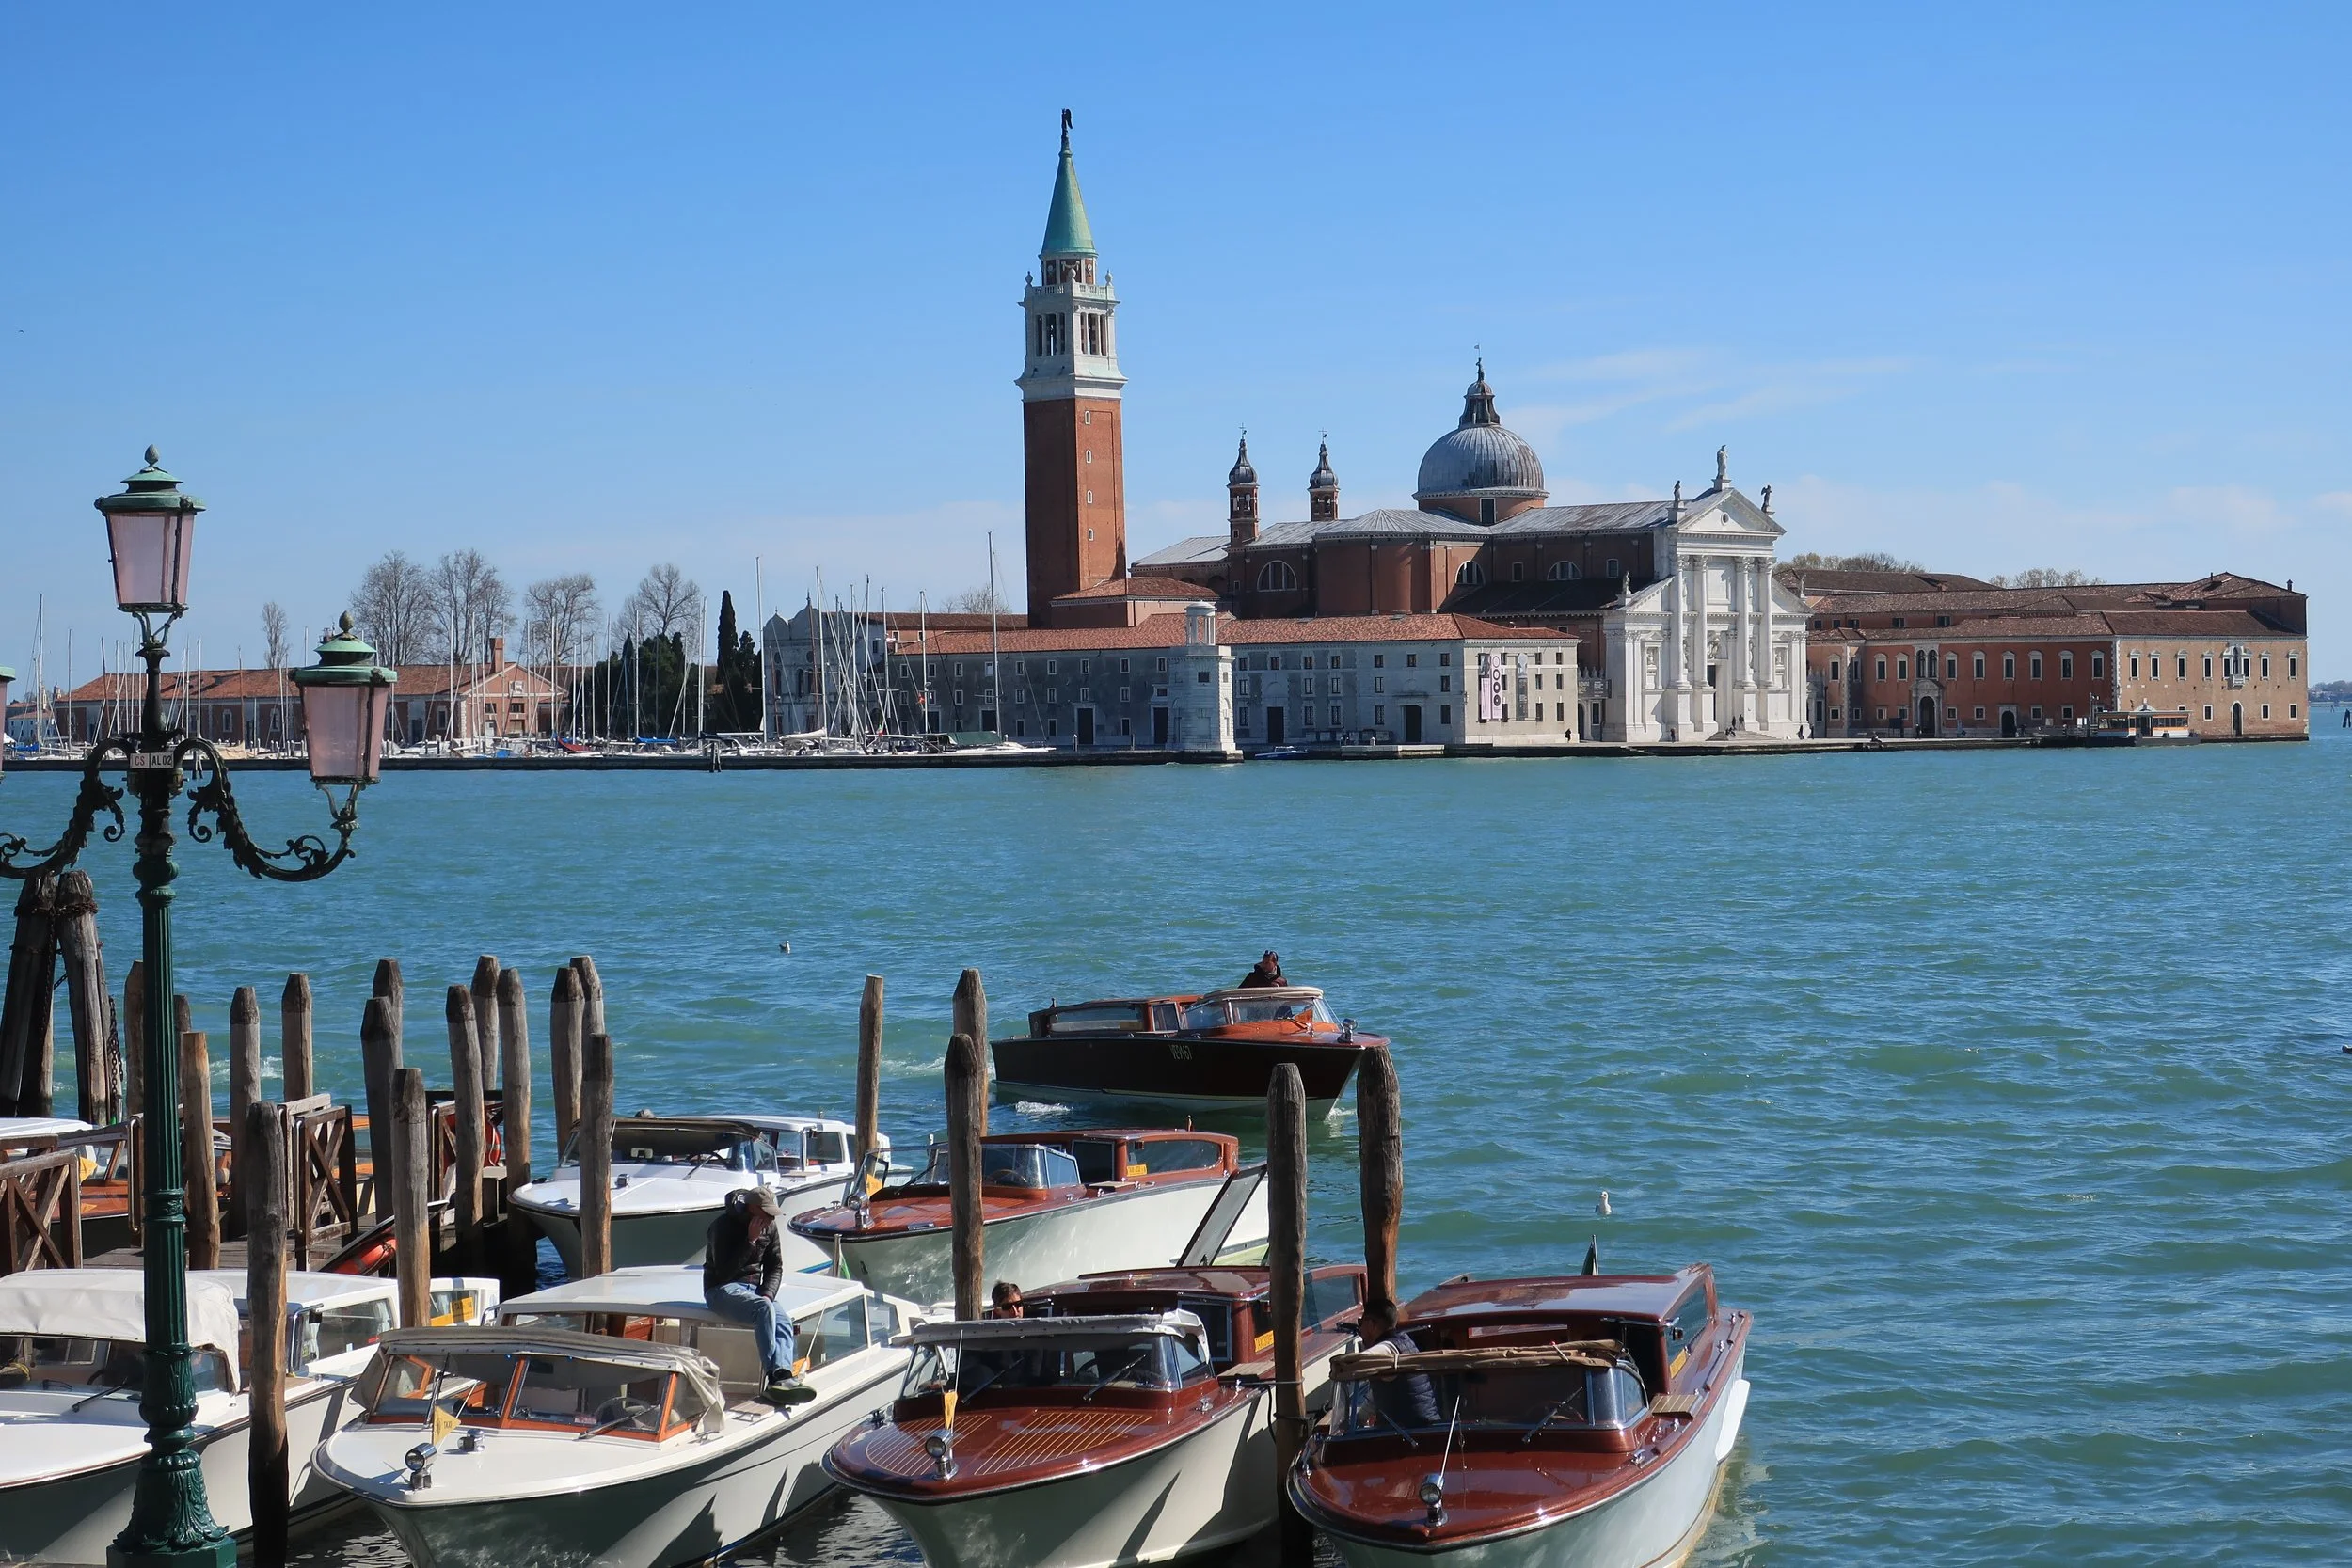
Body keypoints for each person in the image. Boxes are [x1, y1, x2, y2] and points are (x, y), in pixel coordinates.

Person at [703, 1188, 816, 1405]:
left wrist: (767, 1293)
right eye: (766, 1213)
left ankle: (782, 1373)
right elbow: (723, 1273)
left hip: (754, 1290)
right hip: (721, 1289)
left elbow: (775, 1266)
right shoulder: (722, 1226)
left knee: (783, 1319)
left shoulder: (770, 1226)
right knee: (764, 1309)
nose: (770, 1218)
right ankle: (774, 1376)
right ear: (752, 1208)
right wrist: (750, 1241)